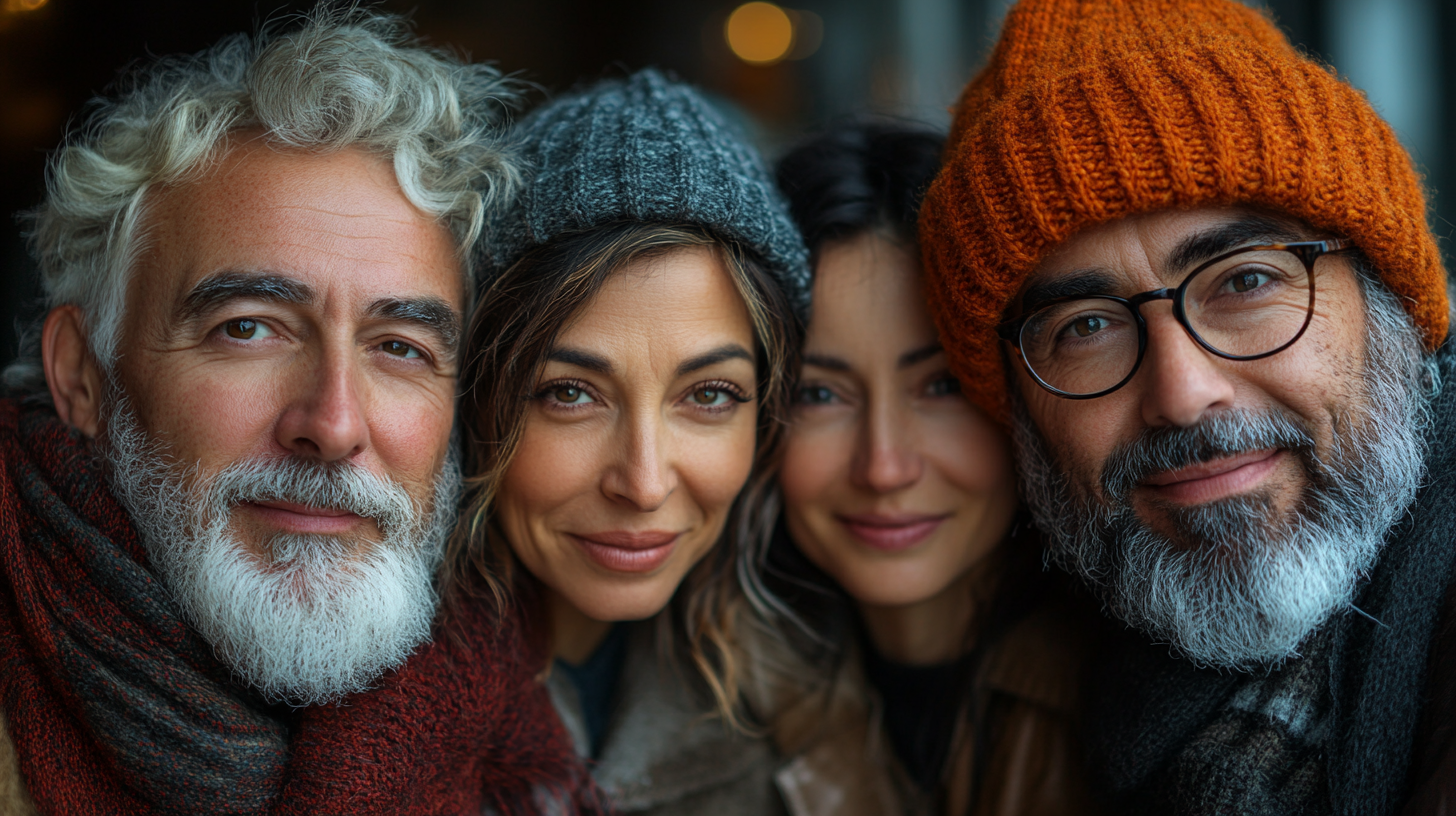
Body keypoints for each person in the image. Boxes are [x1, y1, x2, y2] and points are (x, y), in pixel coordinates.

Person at [0, 9, 594, 815]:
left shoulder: (518, 713)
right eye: (247, 328)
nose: (334, 423)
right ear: (81, 375)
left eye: (401, 347)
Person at [918, 0, 1456, 813]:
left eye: (1246, 281)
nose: (1183, 392)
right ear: (1022, 414)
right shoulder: (1022, 676)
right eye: (1086, 327)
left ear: (1393, 310)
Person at [452, 68, 808, 815]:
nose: (643, 483)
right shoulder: (347, 699)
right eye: (568, 394)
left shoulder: (811, 699)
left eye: (709, 395)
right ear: (476, 401)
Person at [748, 120, 1098, 816]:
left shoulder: (1133, 703)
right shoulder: (701, 700)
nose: (884, 466)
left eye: (940, 386)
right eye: (817, 394)